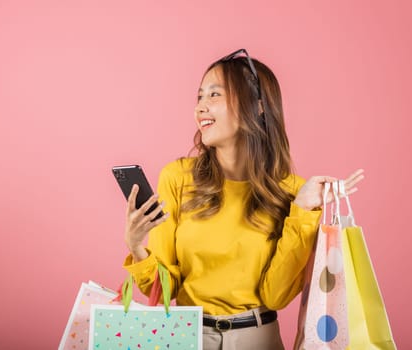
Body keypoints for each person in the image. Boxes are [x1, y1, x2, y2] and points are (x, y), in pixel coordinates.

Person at [122, 48, 364, 350]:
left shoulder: (291, 192)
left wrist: (302, 211)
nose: (200, 107)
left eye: (214, 95)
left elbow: (275, 296)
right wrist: (136, 246)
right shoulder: (177, 178)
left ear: (257, 106)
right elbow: (163, 293)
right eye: (199, 97)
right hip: (187, 338)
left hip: (259, 340)